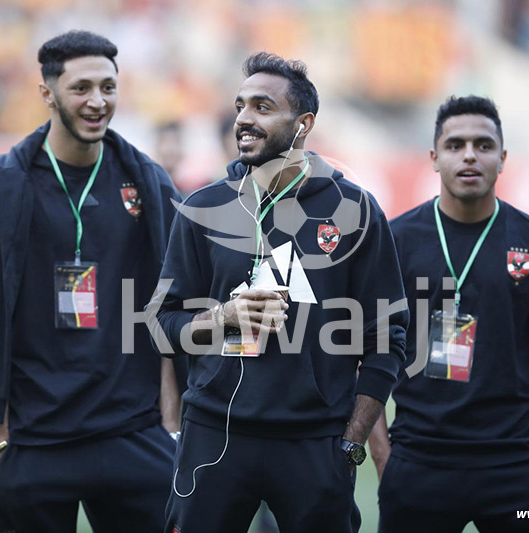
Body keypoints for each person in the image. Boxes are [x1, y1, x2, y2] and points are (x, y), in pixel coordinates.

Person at [152, 52, 408, 533]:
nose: (245, 118)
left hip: (315, 443)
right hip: (214, 436)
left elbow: (387, 337)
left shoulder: (355, 209)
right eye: (240, 106)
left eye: (263, 107)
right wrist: (223, 316)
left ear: (304, 123)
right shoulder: (202, 208)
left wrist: (352, 440)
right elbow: (162, 327)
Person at [0, 30, 185, 533]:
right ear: (47, 93)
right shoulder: (3, 190)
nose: (97, 101)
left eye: (108, 87)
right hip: (36, 443)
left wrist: (170, 424)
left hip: (134, 436)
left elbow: (171, 305)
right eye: (81, 88)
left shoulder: (147, 182)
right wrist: (2, 436)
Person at [371, 95, 529, 532]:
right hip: (419, 460)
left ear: (503, 158)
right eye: (455, 145)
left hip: (517, 463)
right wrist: (384, 458)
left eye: (483, 145)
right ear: (434, 158)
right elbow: (369, 354)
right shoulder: (394, 242)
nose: (469, 155)